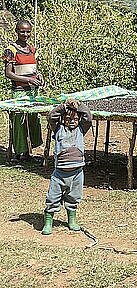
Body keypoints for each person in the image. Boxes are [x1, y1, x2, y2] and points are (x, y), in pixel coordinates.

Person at [42, 99, 92, 235]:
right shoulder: (58, 128)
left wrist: (79, 106)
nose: (72, 121)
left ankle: (72, 220)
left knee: (73, 197)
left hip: (77, 173)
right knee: (53, 198)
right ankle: (48, 222)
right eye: (68, 118)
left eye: (75, 118)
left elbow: (88, 116)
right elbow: (52, 116)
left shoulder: (81, 129)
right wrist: (64, 107)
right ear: (63, 119)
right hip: (59, 174)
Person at [3, 19, 44, 162]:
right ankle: (19, 153)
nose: (25, 34)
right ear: (16, 31)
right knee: (19, 121)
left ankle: (29, 152)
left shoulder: (32, 49)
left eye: (27, 31)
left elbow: (34, 69)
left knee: (33, 120)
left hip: (33, 91)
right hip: (19, 91)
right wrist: (27, 80)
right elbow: (8, 73)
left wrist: (39, 76)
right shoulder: (11, 50)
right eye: (22, 31)